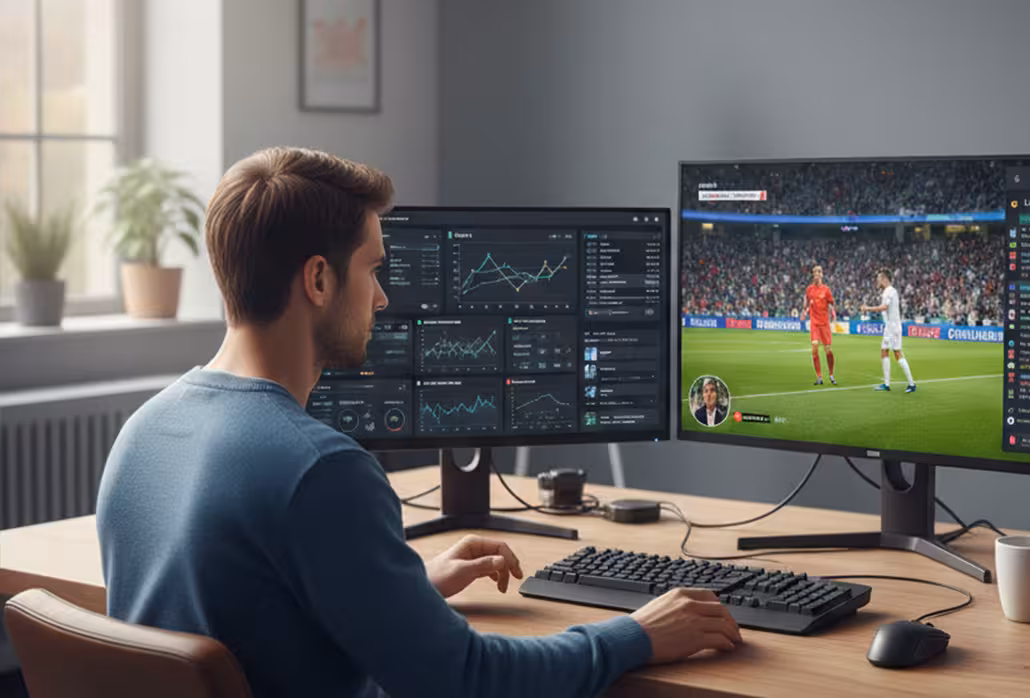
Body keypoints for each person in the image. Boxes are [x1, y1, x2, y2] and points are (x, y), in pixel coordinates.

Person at [95, 147, 742, 698]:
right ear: (318, 279)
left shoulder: (142, 433)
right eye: (374, 268)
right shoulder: (323, 471)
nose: (382, 297)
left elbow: (240, 611)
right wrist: (637, 634)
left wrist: (403, 590)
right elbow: (467, 680)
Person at [861, 268, 917, 393]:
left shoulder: (889, 291)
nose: (877, 281)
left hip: (893, 327)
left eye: (879, 279)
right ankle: (886, 384)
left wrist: (867, 308)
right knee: (884, 351)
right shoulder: (890, 291)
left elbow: (884, 307)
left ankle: (912, 384)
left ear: (884, 279)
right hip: (890, 327)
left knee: (897, 354)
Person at [803, 265, 836, 386]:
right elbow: (806, 303)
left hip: (825, 324)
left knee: (828, 350)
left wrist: (833, 314)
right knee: (815, 347)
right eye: (814, 272)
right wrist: (804, 311)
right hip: (815, 323)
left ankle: (831, 374)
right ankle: (819, 377)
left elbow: (832, 304)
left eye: (819, 272)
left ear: (822, 274)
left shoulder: (826, 290)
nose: (816, 274)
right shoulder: (809, 289)